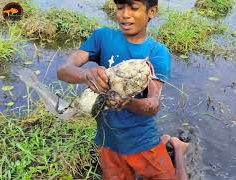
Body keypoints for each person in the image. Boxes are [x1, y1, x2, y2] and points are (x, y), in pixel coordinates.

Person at [57, 0, 188, 179]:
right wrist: (87, 75)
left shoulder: (157, 52)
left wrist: (128, 103)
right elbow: (63, 71)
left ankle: (178, 148)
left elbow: (153, 105)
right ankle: (166, 141)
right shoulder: (102, 37)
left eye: (133, 8)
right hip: (107, 140)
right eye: (119, 7)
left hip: (142, 141)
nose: (124, 14)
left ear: (152, 11)